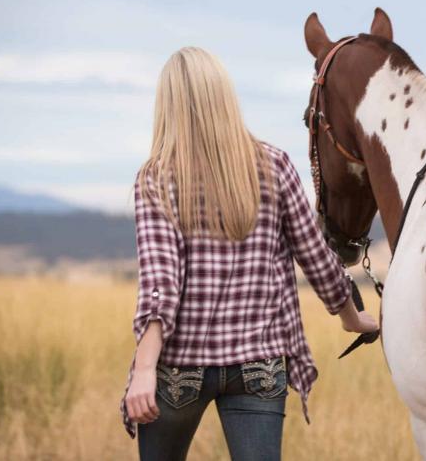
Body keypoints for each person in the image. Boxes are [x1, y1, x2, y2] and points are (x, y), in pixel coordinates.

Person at [119, 47, 378, 461]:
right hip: (259, 365)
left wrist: (146, 369)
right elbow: (313, 253)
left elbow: (159, 284)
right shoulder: (274, 165)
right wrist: (351, 316)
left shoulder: (156, 178)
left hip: (180, 366)